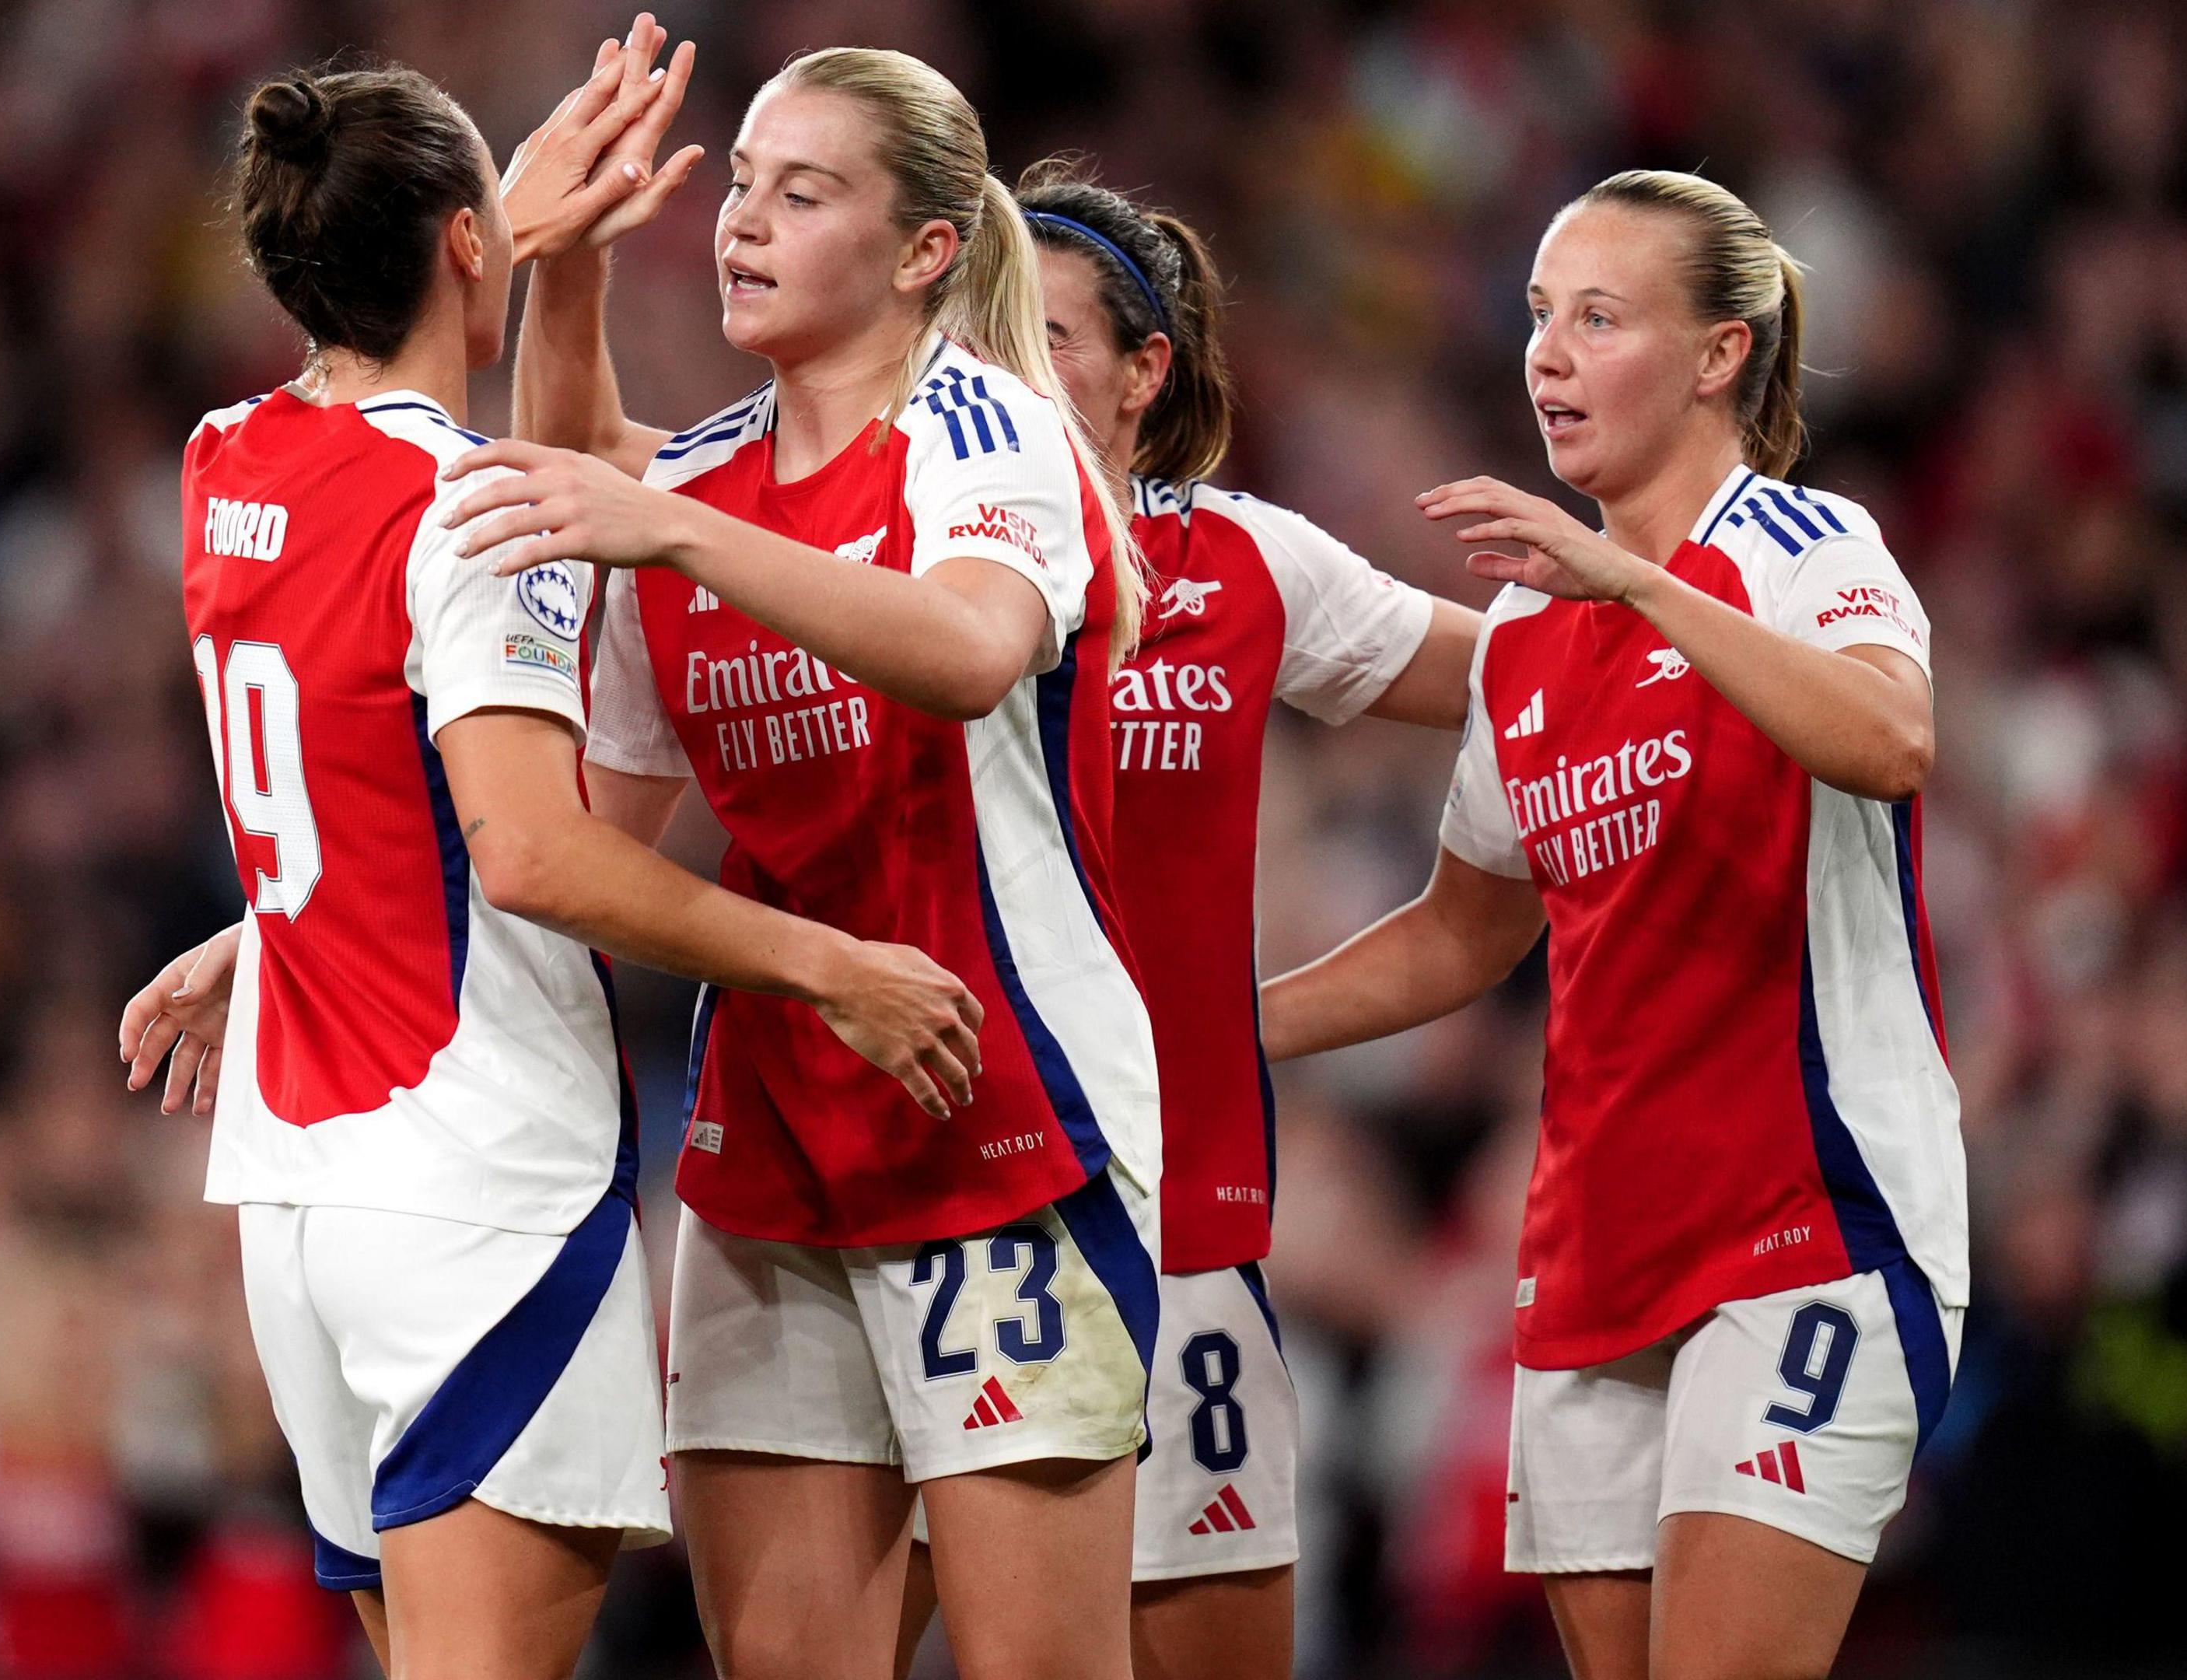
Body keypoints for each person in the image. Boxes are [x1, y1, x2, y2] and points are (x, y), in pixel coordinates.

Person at [121, 36, 985, 1680]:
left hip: (300, 1199)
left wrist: (264, 928)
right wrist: (826, 962)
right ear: (463, 242)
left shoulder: (221, 461)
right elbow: (527, 853)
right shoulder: (475, 509)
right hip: (472, 1186)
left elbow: (364, 778)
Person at [432, 43, 1162, 1680]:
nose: (745, 222)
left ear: (922, 254)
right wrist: (570, 262)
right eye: (742, 184)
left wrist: (677, 526)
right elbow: (591, 838)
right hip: (772, 1159)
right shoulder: (692, 487)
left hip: (1008, 1124)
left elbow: (970, 653)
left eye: (802, 192)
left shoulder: (988, 434)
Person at [1258, 170, 1966, 1680]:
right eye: (1535, 318)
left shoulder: (1804, 548)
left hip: (1810, 1227)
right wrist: (1215, 1030)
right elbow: (1463, 936)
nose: (1548, 355)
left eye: (1599, 317)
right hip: (1590, 1254)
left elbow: (1890, 740)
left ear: (1719, 353)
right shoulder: (1525, 636)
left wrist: (1639, 585)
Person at [896, 161, 1484, 1680]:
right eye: (976, 337)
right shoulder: (886, 558)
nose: (998, 375)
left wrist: (1698, 632)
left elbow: (1526, 688)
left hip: (1182, 1229)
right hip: (927, 1218)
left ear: (1147, 371)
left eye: (1047, 337)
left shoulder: (1245, 569)